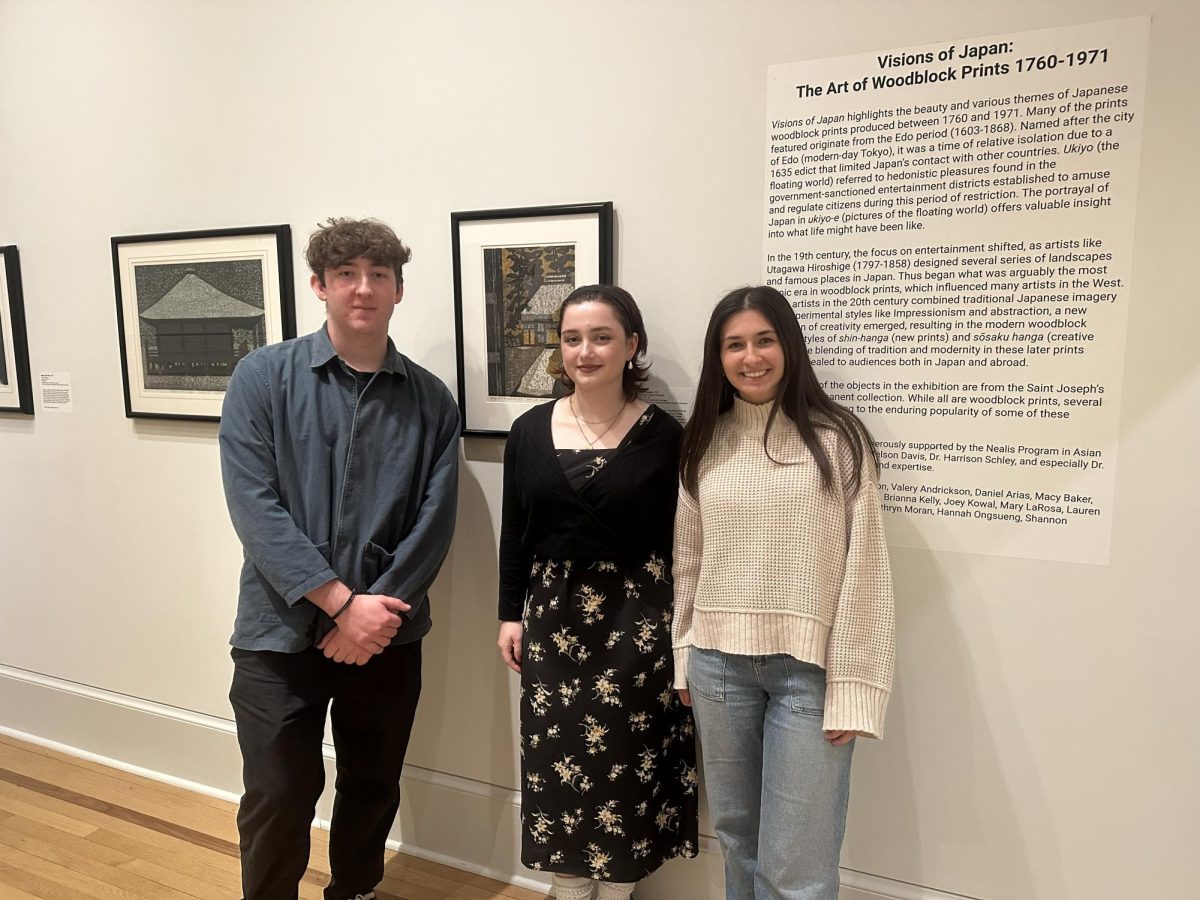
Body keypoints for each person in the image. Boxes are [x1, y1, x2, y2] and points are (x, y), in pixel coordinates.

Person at [219, 218, 460, 900]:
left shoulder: (430, 401)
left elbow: (434, 521)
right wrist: (337, 603)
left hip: (388, 632)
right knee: (278, 792)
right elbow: (253, 508)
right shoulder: (262, 378)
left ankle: (353, 891)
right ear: (321, 285)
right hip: (277, 630)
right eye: (347, 275)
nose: (363, 288)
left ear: (399, 290)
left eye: (378, 275)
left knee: (372, 783)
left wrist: (370, 614)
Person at [672, 285, 895, 900]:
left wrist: (854, 688)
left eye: (764, 340)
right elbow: (687, 560)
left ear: (789, 345)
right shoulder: (701, 442)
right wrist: (683, 654)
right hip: (718, 667)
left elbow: (867, 571)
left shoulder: (840, 440)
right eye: (734, 344)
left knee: (797, 860)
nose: (751, 357)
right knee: (739, 836)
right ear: (718, 358)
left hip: (810, 675)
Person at [497, 285, 699, 900]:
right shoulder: (529, 431)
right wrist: (509, 616)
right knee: (558, 765)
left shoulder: (668, 438)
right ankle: (566, 889)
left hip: (638, 623)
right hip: (553, 622)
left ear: (632, 345)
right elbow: (517, 532)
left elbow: (687, 542)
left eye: (602, 336)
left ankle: (616, 893)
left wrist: (684, 630)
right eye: (572, 338)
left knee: (626, 768)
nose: (585, 351)